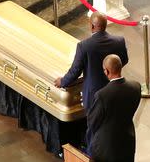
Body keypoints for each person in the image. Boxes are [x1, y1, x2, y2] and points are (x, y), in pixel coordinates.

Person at [55, 13, 128, 146]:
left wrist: (63, 82)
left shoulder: (84, 46)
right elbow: (123, 60)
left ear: (92, 26)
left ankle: (94, 154)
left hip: (93, 94)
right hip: (115, 89)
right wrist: (111, 71)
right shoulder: (119, 41)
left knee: (94, 127)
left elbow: (75, 70)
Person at [86, 55, 141, 162]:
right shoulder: (135, 87)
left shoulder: (102, 95)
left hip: (105, 149)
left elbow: (92, 122)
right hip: (126, 143)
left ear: (107, 71)